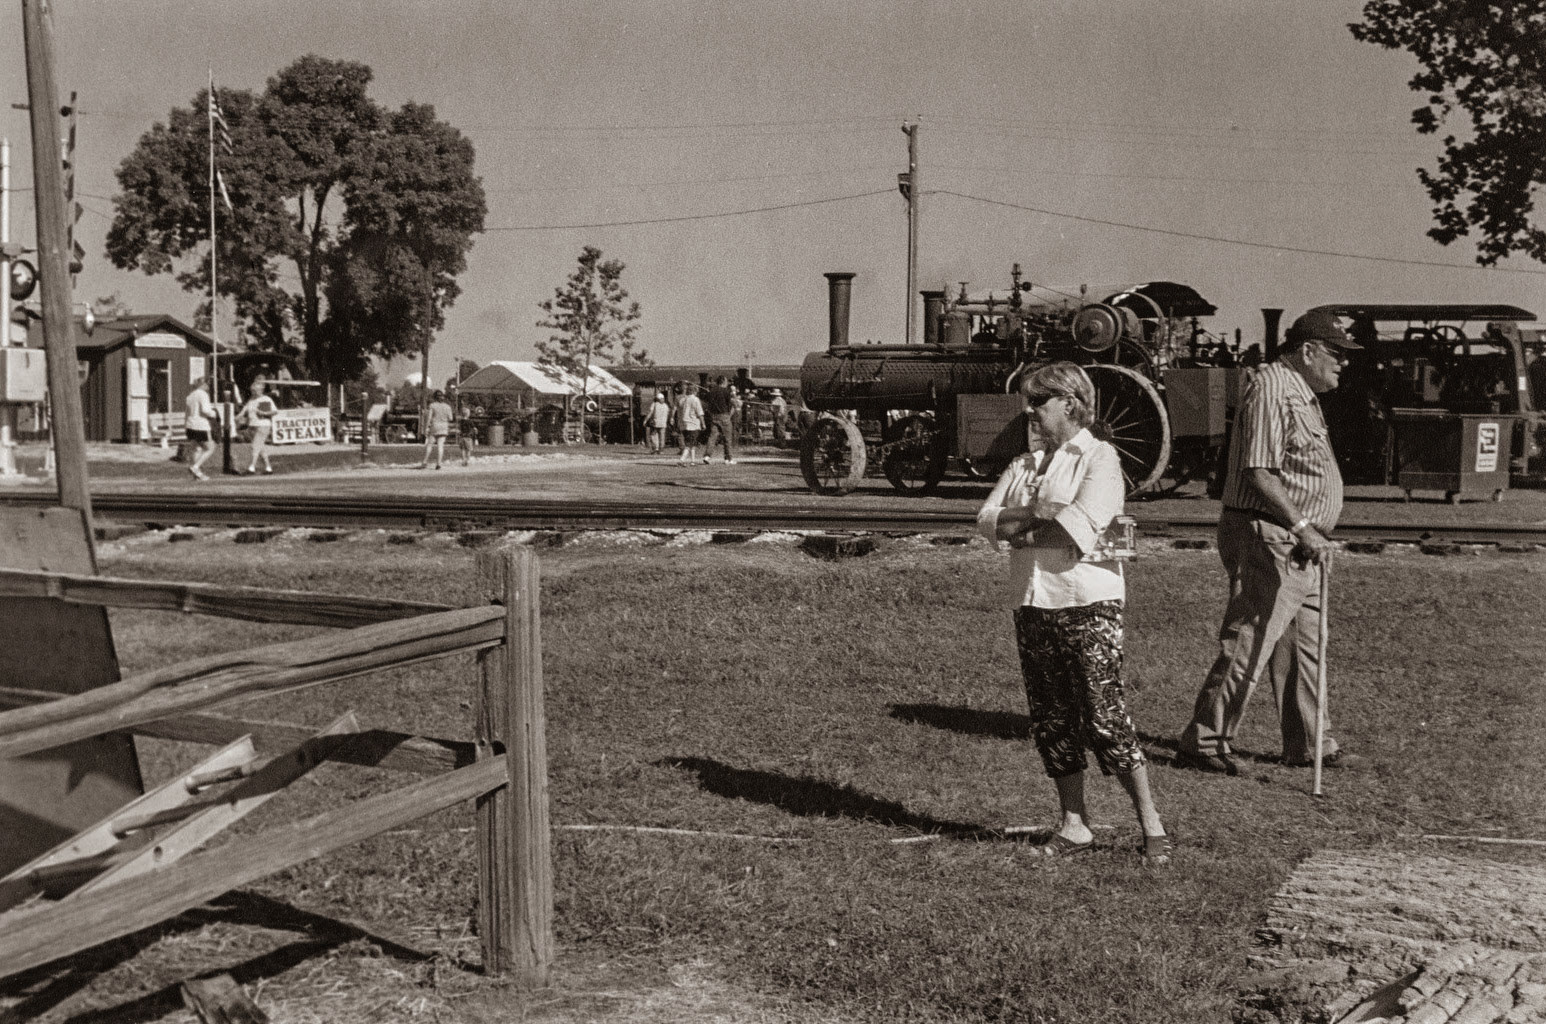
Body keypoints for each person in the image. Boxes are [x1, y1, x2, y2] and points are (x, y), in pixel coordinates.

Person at [976, 361, 1170, 865]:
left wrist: (1020, 531)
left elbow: (1078, 527)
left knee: (1105, 715)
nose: (1030, 411)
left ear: (1069, 402)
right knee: (1052, 718)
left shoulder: (1099, 458)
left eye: (1038, 401)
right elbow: (984, 519)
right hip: (1033, 600)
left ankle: (1150, 822)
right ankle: (1074, 823)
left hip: (1088, 601)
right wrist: (1029, 516)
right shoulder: (1023, 465)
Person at [1177, 310, 1364, 776]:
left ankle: (1309, 743)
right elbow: (1259, 472)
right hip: (1274, 534)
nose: (1343, 363)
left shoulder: (1297, 390)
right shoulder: (1274, 387)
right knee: (1251, 639)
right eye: (1337, 353)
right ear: (1308, 350)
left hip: (1300, 540)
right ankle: (1205, 740)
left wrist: (1308, 531)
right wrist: (1302, 526)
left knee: (1304, 646)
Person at [236, 379, 279, 475]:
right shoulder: (251, 400)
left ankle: (251, 468)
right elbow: (244, 411)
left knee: (255, 446)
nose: (253, 392)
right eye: (252, 390)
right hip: (253, 426)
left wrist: (264, 412)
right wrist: (237, 417)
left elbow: (275, 411)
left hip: (263, 425)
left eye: (255, 390)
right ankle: (268, 468)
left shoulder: (265, 399)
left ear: (261, 390)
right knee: (260, 447)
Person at [183, 376, 219, 480]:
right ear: (204, 385)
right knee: (210, 448)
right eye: (208, 384)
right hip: (201, 425)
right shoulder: (203, 394)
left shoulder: (190, 395)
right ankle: (195, 467)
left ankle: (197, 475)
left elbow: (187, 412)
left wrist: (185, 425)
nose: (208, 387)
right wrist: (214, 414)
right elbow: (205, 410)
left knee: (197, 449)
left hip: (190, 425)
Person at [701, 375, 736, 464]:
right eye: (726, 381)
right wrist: (729, 415)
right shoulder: (726, 392)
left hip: (714, 416)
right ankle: (729, 458)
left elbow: (706, 404)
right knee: (727, 438)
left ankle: (707, 456)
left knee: (712, 437)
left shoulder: (711, 392)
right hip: (724, 416)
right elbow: (731, 405)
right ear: (723, 381)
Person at [419, 390, 454, 469]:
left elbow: (429, 417)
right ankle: (439, 463)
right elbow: (451, 418)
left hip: (435, 425)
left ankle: (424, 462)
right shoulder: (447, 406)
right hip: (444, 426)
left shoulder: (432, 405)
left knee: (430, 445)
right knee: (440, 445)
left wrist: (427, 427)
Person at [674, 383, 704, 465]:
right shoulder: (695, 399)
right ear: (694, 391)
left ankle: (693, 461)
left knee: (691, 442)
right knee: (690, 443)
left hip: (684, 423)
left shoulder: (683, 400)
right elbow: (700, 413)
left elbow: (679, 408)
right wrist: (703, 423)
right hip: (693, 423)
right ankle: (682, 460)